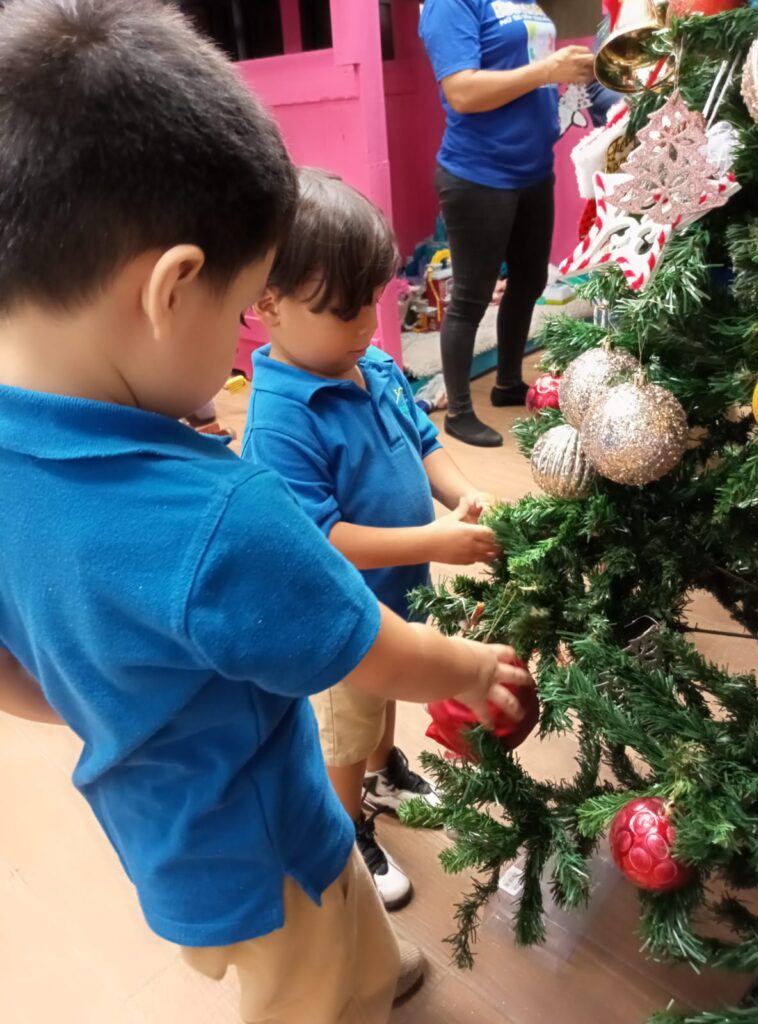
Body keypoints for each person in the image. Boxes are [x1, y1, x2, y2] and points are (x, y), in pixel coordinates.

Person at [0, 3, 534, 1023]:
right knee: (310, 989)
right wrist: (473, 669)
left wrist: (107, 697)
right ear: (172, 289)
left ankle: (366, 959)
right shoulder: (218, 512)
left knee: (328, 936)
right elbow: (369, 649)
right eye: (242, 308)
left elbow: (16, 672)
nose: (241, 346)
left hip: (167, 830)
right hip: (265, 841)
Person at [241, 169, 503, 912]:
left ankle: (386, 775)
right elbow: (322, 538)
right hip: (336, 617)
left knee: (387, 695)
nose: (365, 325)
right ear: (269, 303)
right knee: (346, 729)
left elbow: (425, 439)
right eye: (343, 309)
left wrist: (463, 494)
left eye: (371, 301)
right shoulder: (279, 420)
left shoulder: (373, 364)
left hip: (396, 591)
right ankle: (347, 826)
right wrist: (432, 540)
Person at [419, 0, 594, 447]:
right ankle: (458, 412)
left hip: (533, 170)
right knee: (471, 297)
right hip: (478, 174)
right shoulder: (450, 4)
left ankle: (508, 383)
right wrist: (548, 70)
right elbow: (462, 90)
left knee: (529, 280)